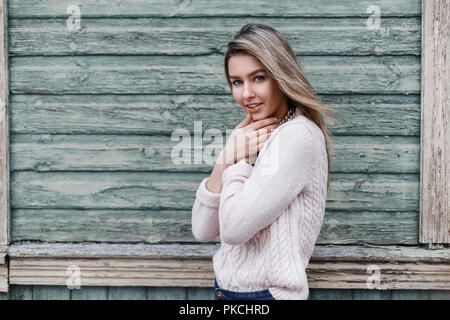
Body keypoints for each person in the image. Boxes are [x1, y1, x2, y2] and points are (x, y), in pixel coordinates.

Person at [191, 23, 338, 300]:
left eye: (258, 78)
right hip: (230, 292)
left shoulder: (297, 136)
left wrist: (240, 160)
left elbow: (233, 230)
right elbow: (202, 230)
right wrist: (225, 159)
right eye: (237, 82)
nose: (246, 93)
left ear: (281, 76)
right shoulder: (253, 136)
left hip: (266, 296)